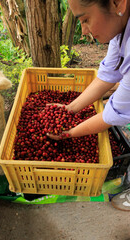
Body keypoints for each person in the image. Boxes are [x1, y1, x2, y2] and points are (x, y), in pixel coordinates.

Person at [47, 0, 130, 211]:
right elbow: (107, 75)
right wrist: (69, 109)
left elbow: (115, 113)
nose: (84, 31)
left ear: (117, 3)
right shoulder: (120, 27)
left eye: (85, 20)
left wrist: (69, 132)